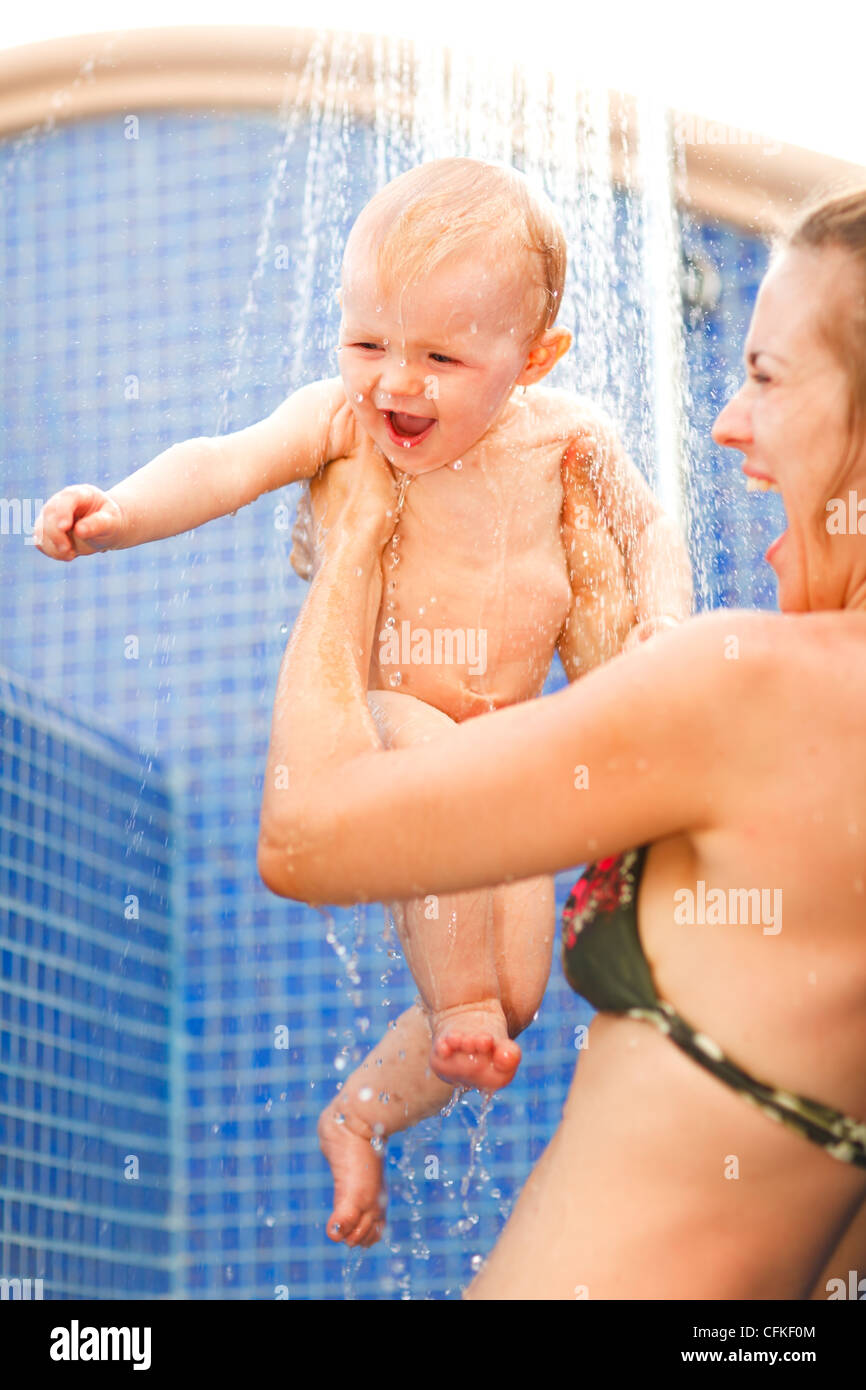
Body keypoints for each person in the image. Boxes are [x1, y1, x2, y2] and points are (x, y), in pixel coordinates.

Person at [32, 156, 691, 1244]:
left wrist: (662, 620)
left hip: (516, 736)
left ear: (533, 357)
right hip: (400, 717)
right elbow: (223, 462)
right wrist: (120, 510)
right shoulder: (336, 420)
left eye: (440, 355)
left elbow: (649, 527)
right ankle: (460, 1012)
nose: (395, 382)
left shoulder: (564, 433)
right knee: (436, 812)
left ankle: (361, 1113)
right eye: (368, 342)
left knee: (516, 993)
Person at [256, 186, 866, 1297]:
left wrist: (353, 536)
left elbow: (301, 837)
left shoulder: (757, 689)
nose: (725, 421)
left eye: (766, 377)